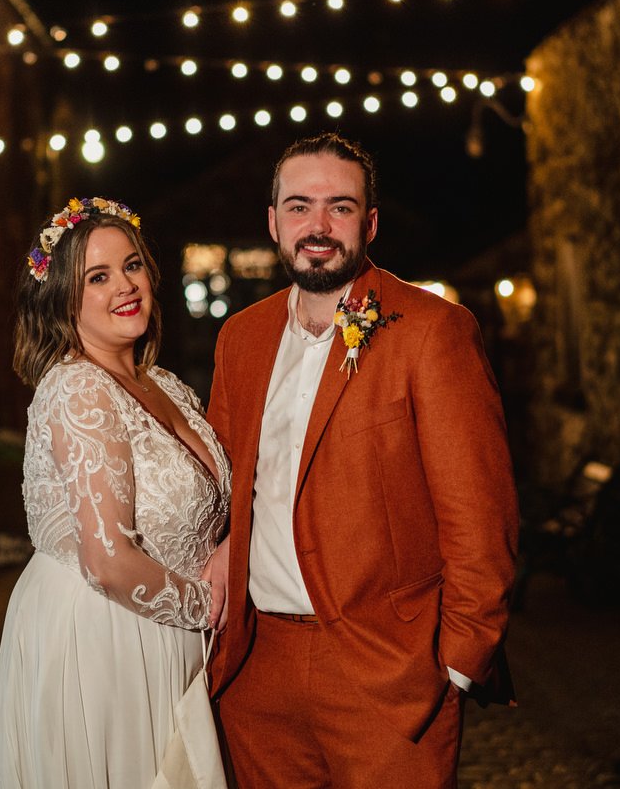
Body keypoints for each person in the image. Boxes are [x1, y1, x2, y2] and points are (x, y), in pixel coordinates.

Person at [202, 134, 518, 787]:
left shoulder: (432, 331)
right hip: (258, 668)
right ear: (273, 221)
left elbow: (479, 512)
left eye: (339, 207)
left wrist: (455, 664)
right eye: (299, 206)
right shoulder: (242, 337)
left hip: (387, 670)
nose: (317, 226)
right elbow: (225, 487)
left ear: (369, 223)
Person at [0, 197, 230, 789]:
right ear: (64, 300)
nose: (125, 285)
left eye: (133, 265)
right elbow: (108, 561)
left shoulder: (164, 384)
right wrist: (210, 610)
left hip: (170, 638)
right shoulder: (77, 390)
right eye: (99, 276)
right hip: (103, 637)